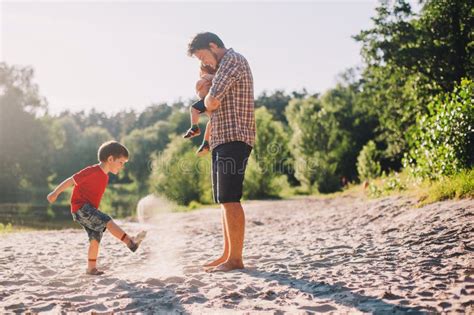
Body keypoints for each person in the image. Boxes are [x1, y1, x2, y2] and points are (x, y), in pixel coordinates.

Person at [187, 32, 256, 272]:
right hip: (221, 137)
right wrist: (204, 94)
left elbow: (212, 102)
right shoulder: (221, 67)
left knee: (230, 198)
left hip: (235, 136)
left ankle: (236, 259)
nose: (204, 62)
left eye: (203, 56)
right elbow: (210, 103)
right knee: (223, 200)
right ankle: (227, 254)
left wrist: (204, 95)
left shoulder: (232, 60)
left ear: (213, 46)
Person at [46, 140, 146, 275]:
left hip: (88, 210)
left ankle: (91, 268)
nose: (122, 166)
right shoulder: (92, 171)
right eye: (121, 163)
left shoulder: (104, 177)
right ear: (110, 159)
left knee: (95, 238)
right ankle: (130, 242)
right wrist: (55, 193)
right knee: (107, 220)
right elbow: (72, 180)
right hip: (81, 208)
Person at [183, 64, 216, 156]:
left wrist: (205, 78)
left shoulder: (206, 78)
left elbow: (199, 86)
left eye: (201, 72)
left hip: (207, 100)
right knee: (211, 121)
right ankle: (206, 143)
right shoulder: (208, 80)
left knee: (193, 109)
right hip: (207, 101)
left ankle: (195, 127)